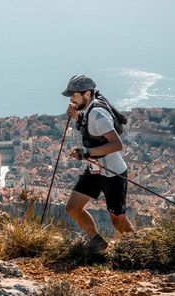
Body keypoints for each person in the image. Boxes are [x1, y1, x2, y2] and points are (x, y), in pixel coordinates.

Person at [62, 74, 135, 252]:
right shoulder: (89, 110)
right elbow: (89, 128)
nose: (71, 98)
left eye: (74, 95)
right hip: (95, 169)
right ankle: (98, 241)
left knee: (118, 221)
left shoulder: (97, 113)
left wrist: (87, 152)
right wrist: (76, 117)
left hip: (112, 173)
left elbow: (117, 144)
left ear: (87, 94)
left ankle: (138, 248)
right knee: (73, 208)